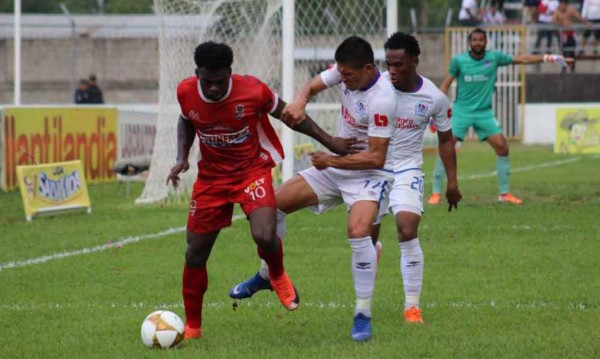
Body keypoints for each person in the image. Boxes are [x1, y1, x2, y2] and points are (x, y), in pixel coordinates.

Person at [167, 41, 359, 340]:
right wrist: (181, 157)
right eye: (208, 82)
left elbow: (290, 115)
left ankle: (277, 275)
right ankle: (193, 326)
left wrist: (329, 140)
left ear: (230, 72)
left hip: (250, 171)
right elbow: (186, 120)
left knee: (265, 234)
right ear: (197, 74)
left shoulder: (253, 90)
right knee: (195, 253)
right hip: (211, 180)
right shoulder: (185, 91)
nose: (214, 89)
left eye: (220, 82)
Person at [229, 36, 397, 342]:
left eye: (348, 76)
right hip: (336, 165)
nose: (342, 80)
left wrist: (330, 159)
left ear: (369, 68)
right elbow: (310, 86)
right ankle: (267, 275)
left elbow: (377, 156)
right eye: (340, 74)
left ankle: (362, 313)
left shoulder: (383, 99)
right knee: (271, 205)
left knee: (359, 234)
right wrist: (300, 100)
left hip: (369, 173)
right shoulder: (346, 71)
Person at [367, 32, 462, 325]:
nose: (393, 71)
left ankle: (412, 307)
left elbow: (445, 139)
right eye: (389, 64)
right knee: (365, 239)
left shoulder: (434, 97)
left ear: (414, 61)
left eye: (399, 65)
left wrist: (452, 182)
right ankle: (374, 250)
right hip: (374, 169)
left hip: (407, 169)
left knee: (407, 229)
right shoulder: (376, 86)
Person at [428, 28, 568, 205]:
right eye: (474, 40)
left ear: (486, 42)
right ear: (470, 43)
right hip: (461, 111)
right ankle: (436, 193)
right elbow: (446, 84)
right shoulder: (459, 61)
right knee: (447, 147)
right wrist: (436, 110)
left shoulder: (493, 58)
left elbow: (522, 59)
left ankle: (504, 194)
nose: (478, 43)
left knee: (502, 147)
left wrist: (549, 58)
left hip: (484, 112)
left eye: (481, 40)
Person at [553, 0, 593, 70]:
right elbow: (553, 21)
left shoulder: (570, 10)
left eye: (563, 5)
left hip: (570, 33)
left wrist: (587, 23)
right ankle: (563, 67)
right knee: (562, 51)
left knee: (572, 49)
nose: (562, 6)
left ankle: (572, 66)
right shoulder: (557, 12)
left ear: (566, 5)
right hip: (561, 34)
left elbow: (580, 17)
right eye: (561, 5)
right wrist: (561, 24)